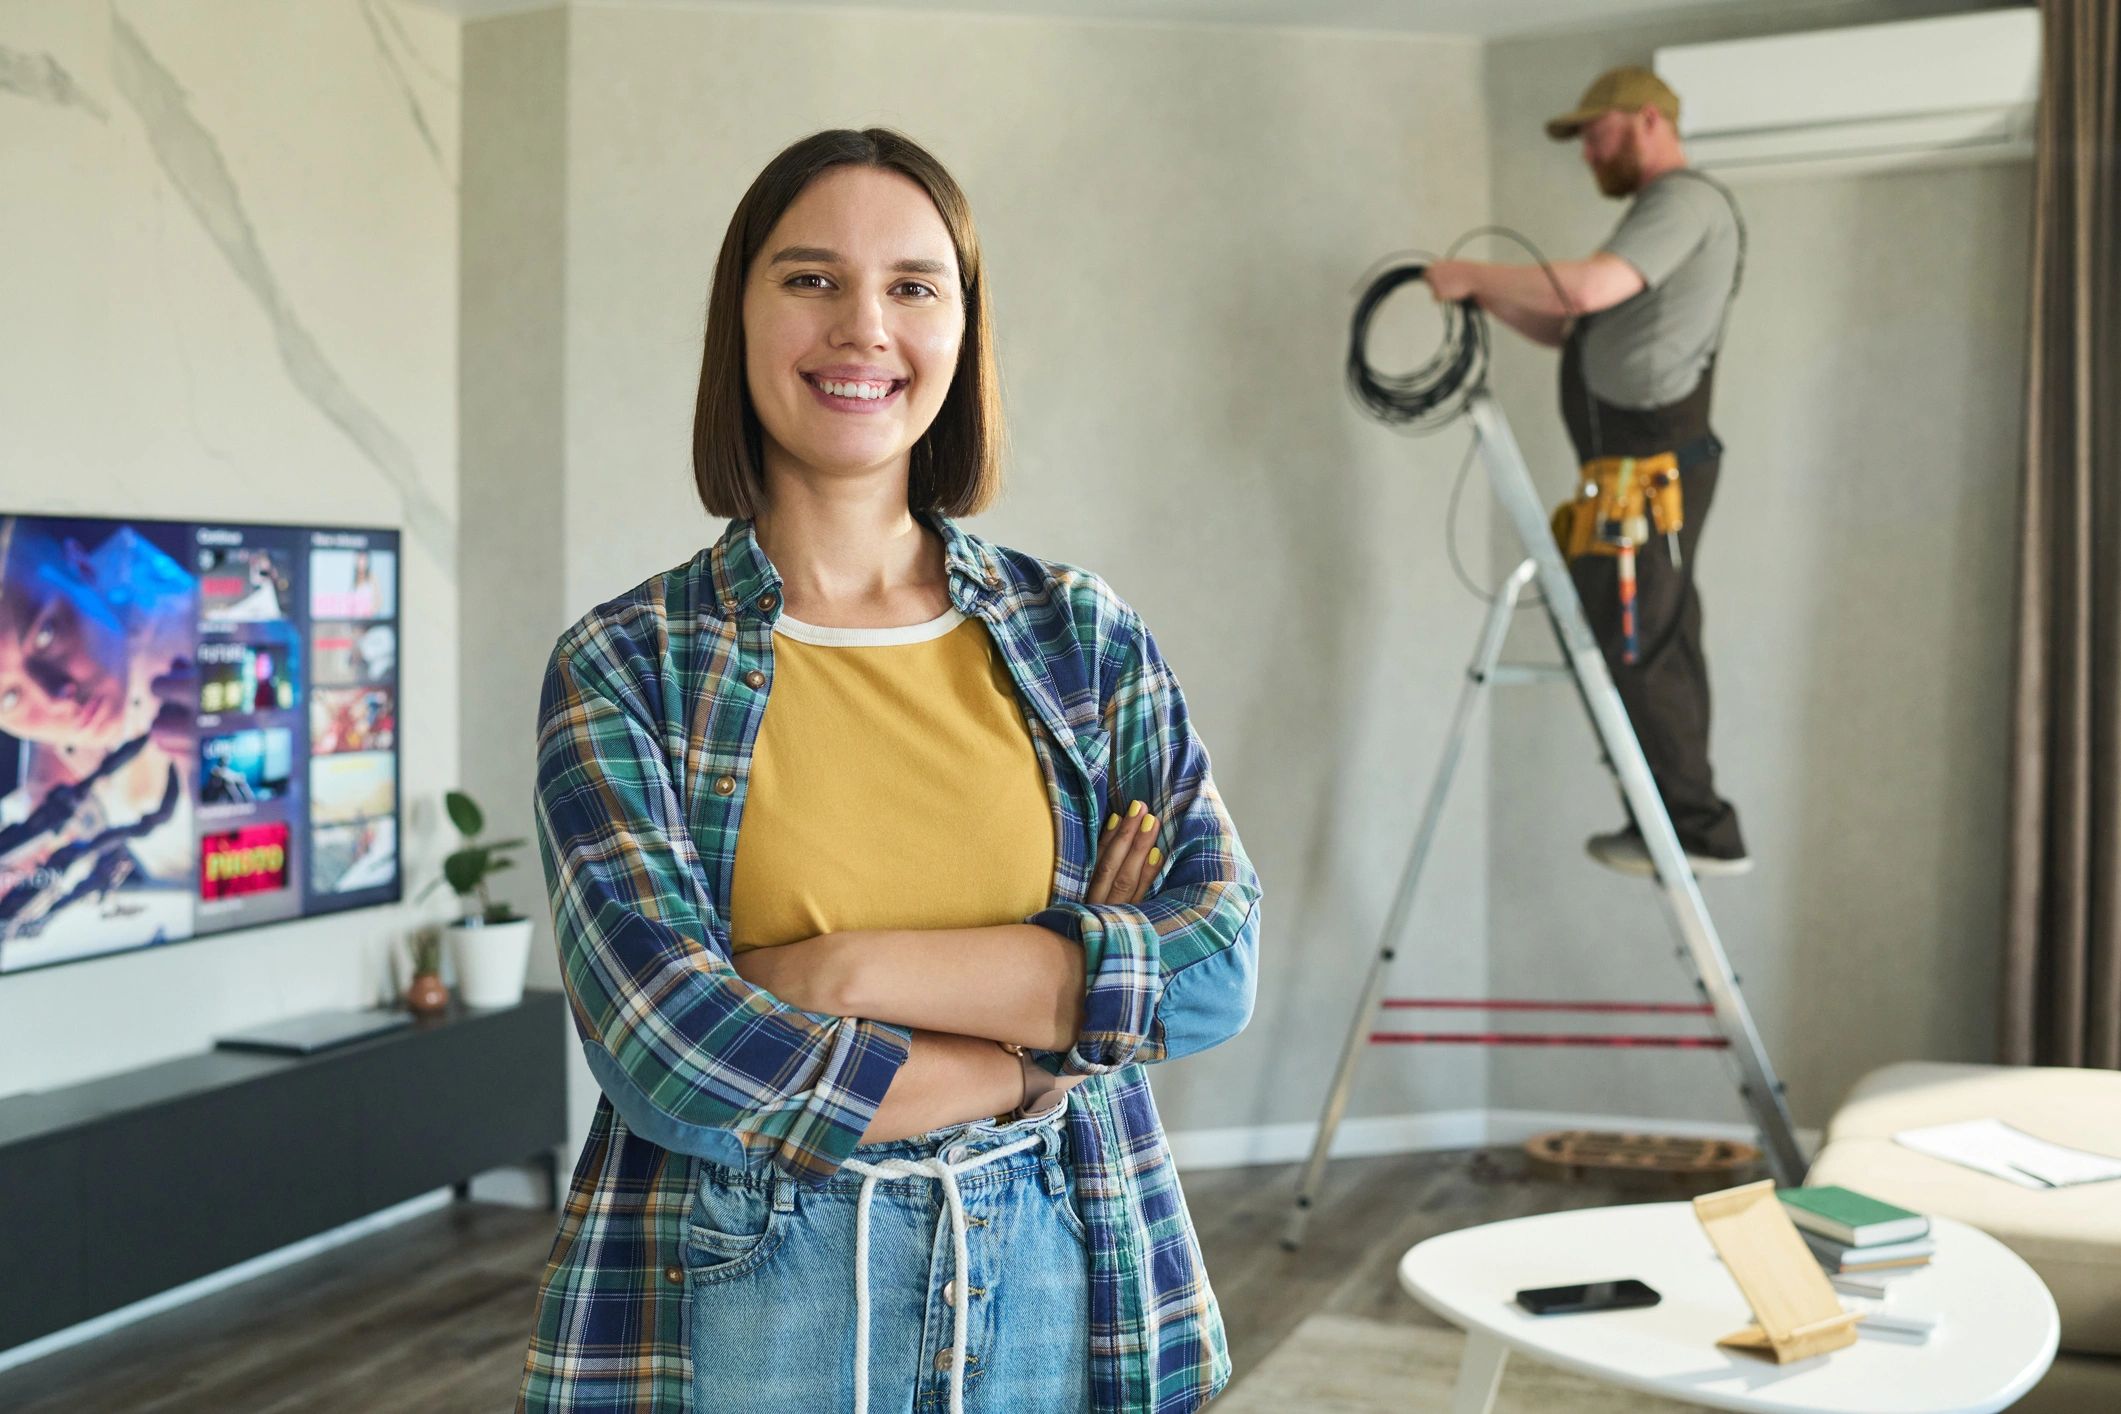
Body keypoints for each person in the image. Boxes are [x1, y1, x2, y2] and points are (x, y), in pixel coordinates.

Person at [521, 129, 1262, 1414]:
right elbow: (675, 1055)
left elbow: (1216, 964)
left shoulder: (1080, 637)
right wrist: (1042, 1050)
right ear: (739, 316)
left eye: (914, 285)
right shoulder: (626, 664)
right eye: (811, 278)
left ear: (963, 331)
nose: (864, 326)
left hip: (1066, 1267)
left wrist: (836, 974)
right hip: (748, 1302)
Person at [1423, 65, 1751, 878]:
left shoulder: (1683, 201)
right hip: (1634, 470)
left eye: (1596, 134)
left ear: (1647, 120)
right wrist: (1487, 299)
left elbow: (1587, 289)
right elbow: (1577, 328)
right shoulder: (1656, 214)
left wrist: (1472, 275)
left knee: (1635, 645)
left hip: (1651, 471)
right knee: (1643, 641)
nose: (1587, 153)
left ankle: (1694, 830)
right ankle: (1675, 821)